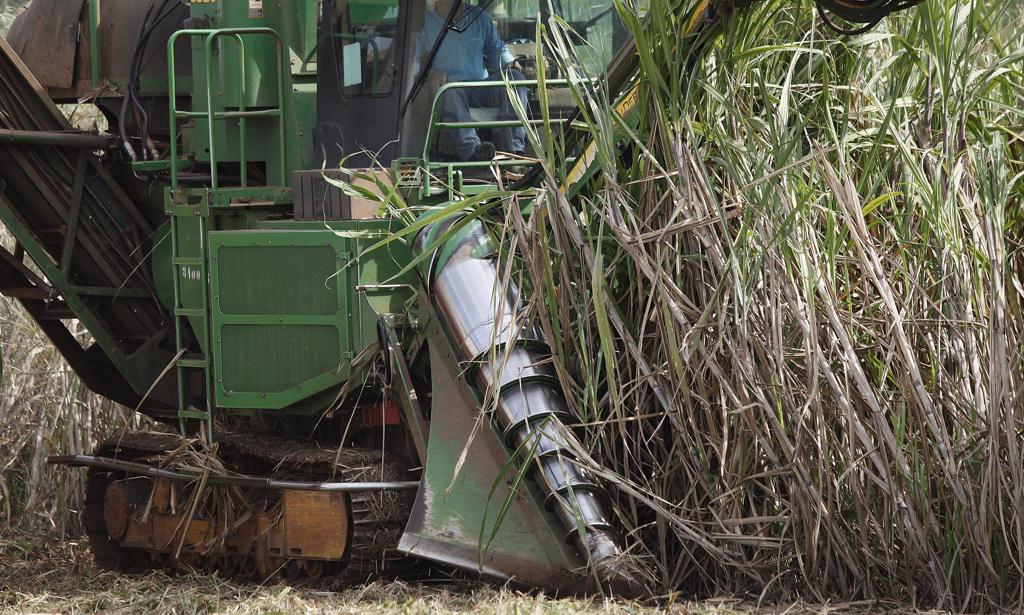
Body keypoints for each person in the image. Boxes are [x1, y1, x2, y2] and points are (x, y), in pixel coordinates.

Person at [415, 0, 528, 161]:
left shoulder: (480, 18)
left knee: (515, 79)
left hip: (479, 88)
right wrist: (430, 72)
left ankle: (515, 153)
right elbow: (412, 64)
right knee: (449, 91)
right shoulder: (422, 23)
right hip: (448, 90)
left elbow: (497, 51)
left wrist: (512, 64)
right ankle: (474, 154)